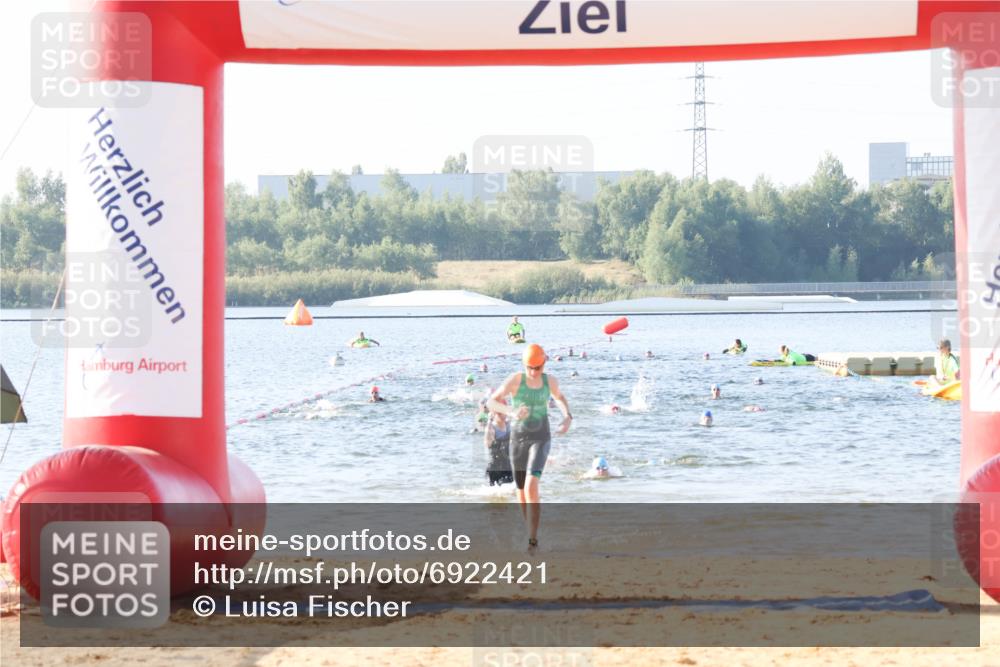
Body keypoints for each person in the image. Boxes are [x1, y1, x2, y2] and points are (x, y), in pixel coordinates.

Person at [487, 343, 572, 553]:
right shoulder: (516, 380)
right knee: (521, 488)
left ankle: (533, 539)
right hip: (518, 438)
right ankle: (529, 531)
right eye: (530, 368)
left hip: (541, 436)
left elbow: (559, 397)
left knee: (532, 485)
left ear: (544, 363)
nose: (534, 372)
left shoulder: (549, 380)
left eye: (538, 368)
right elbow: (491, 402)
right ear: (524, 365)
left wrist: (567, 416)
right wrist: (511, 412)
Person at [484, 399, 514, 486]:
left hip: (508, 467)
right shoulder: (491, 427)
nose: (502, 416)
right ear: (493, 413)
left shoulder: (509, 425)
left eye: (503, 412)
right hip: (494, 468)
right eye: (499, 413)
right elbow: (487, 444)